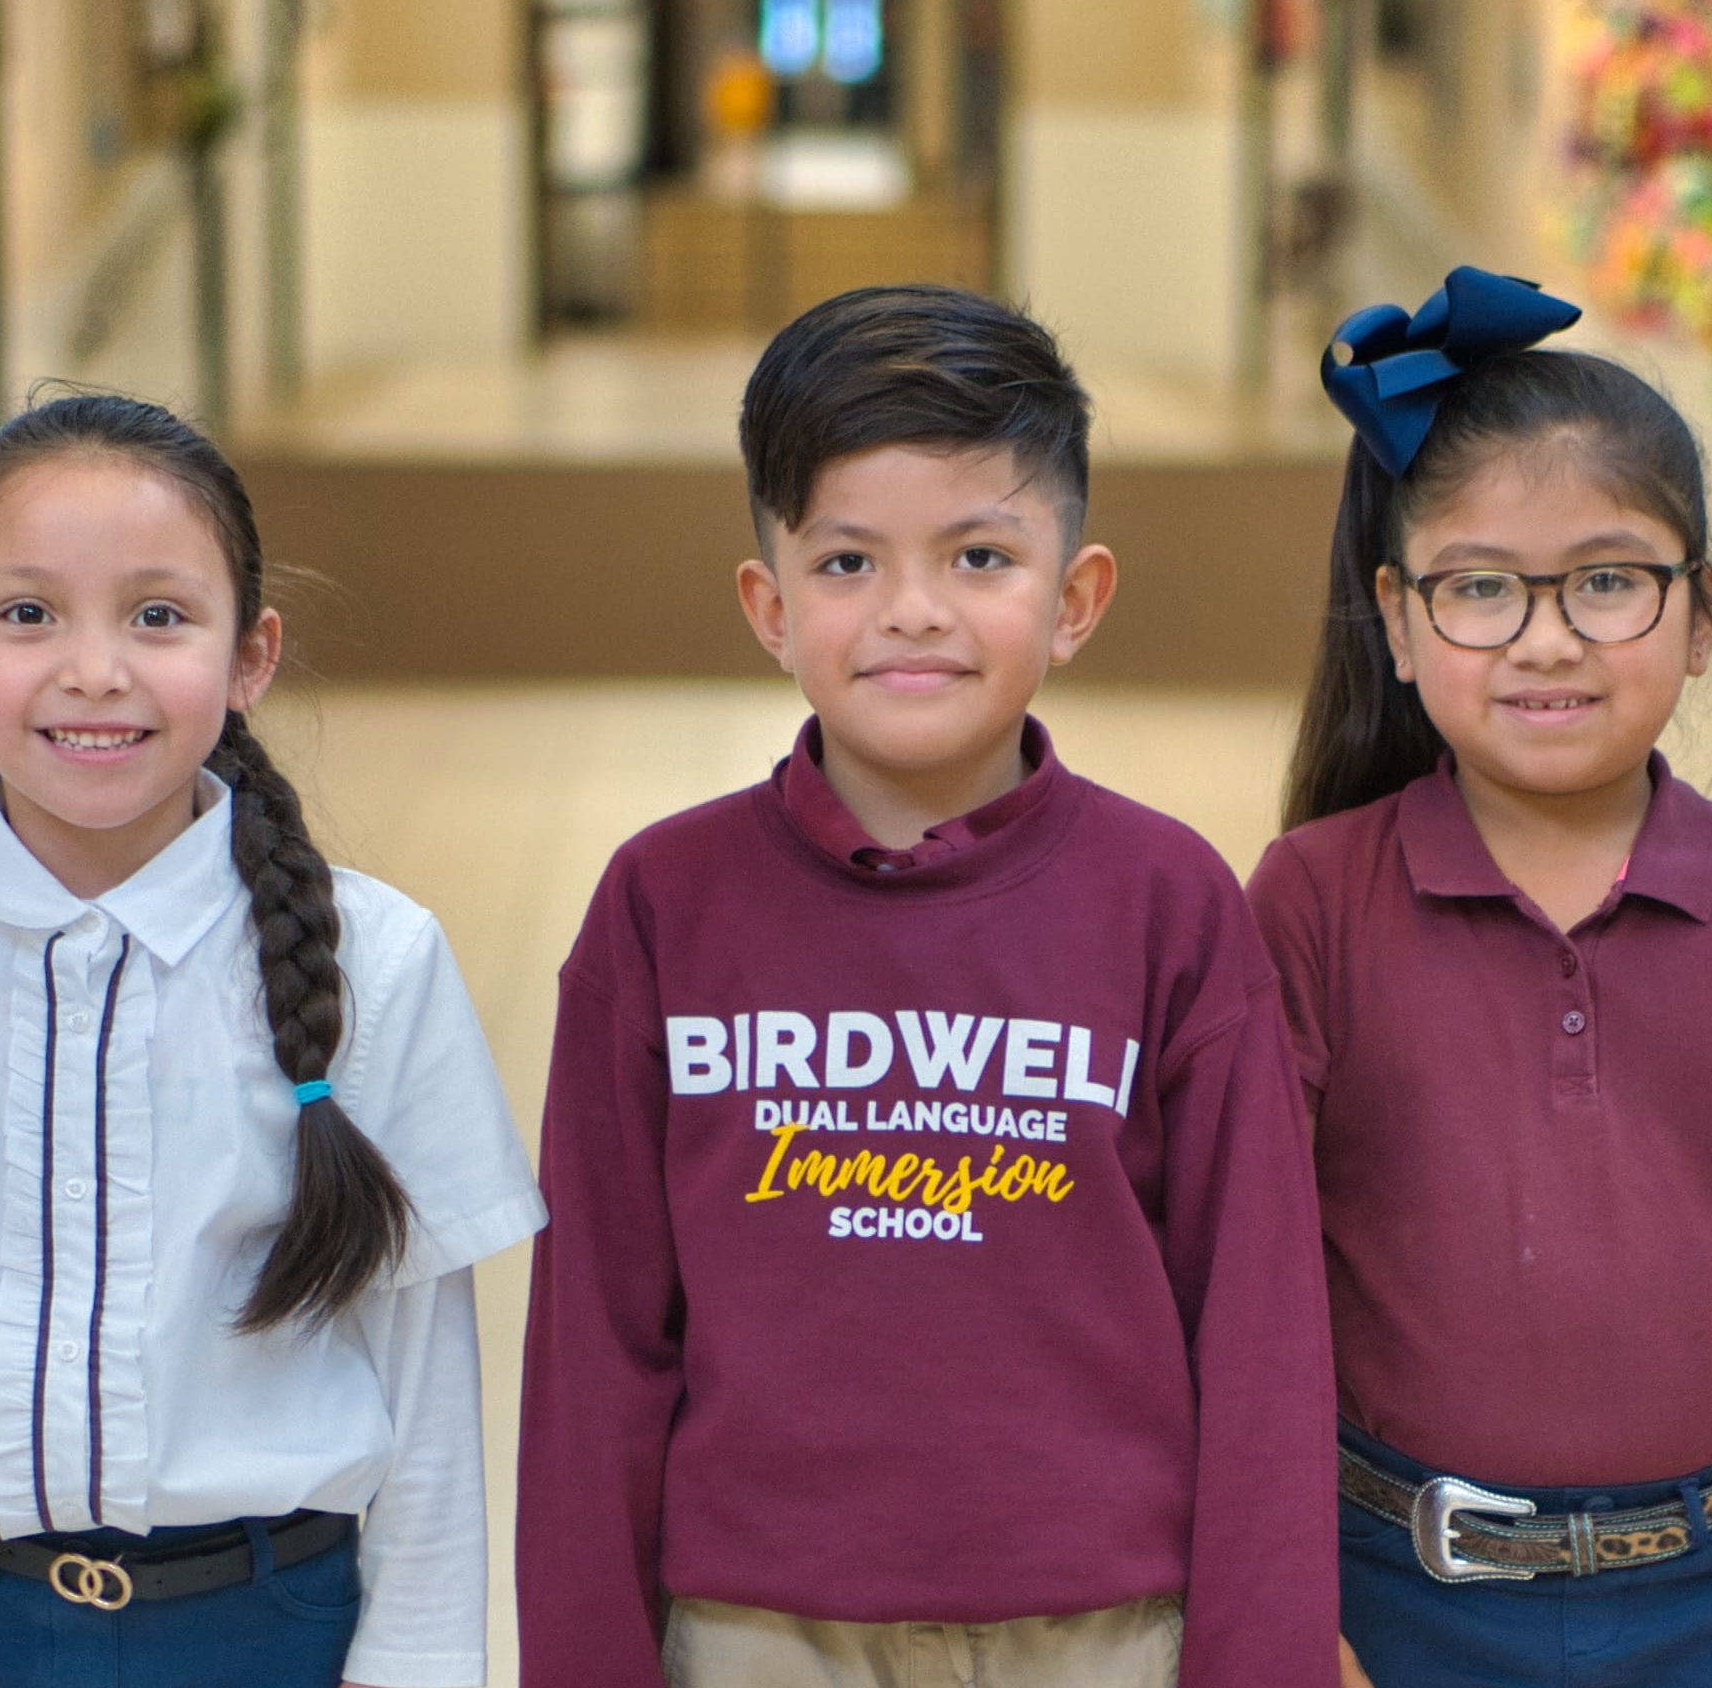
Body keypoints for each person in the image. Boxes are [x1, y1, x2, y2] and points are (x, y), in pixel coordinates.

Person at [518, 284, 1334, 1688]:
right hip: (756, 1633)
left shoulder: (1170, 906)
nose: (912, 613)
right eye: (846, 564)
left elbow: (1259, 1336)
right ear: (769, 608)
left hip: (1105, 1630)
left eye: (978, 556)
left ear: (1075, 600)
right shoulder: (663, 906)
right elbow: (594, 1342)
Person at [0, 392, 543, 1688]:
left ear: (251, 654)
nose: (95, 670)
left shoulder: (380, 958)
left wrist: (423, 1663)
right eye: (27, 614)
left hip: (271, 1626)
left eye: (158, 615)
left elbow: (425, 1373)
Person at [1251, 268, 1712, 1688]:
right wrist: (1287, 1617)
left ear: (1701, 616)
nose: (1549, 637)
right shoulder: (1311, 905)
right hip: (1396, 1598)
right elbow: (1247, 1294)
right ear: (1396, 622)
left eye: (1609, 581)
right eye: (1482, 591)